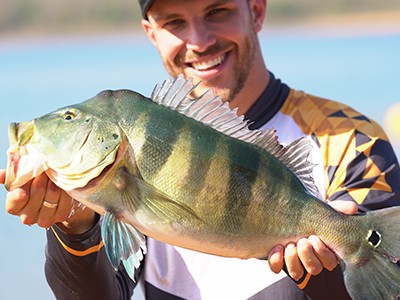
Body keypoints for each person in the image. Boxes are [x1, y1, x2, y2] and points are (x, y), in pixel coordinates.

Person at [2, 0, 400, 299]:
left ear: (256, 10)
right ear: (150, 32)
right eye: (174, 21)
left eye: (217, 11)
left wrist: (323, 268)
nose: (200, 40)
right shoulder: (125, 158)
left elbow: (379, 285)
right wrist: (74, 227)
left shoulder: (353, 141)